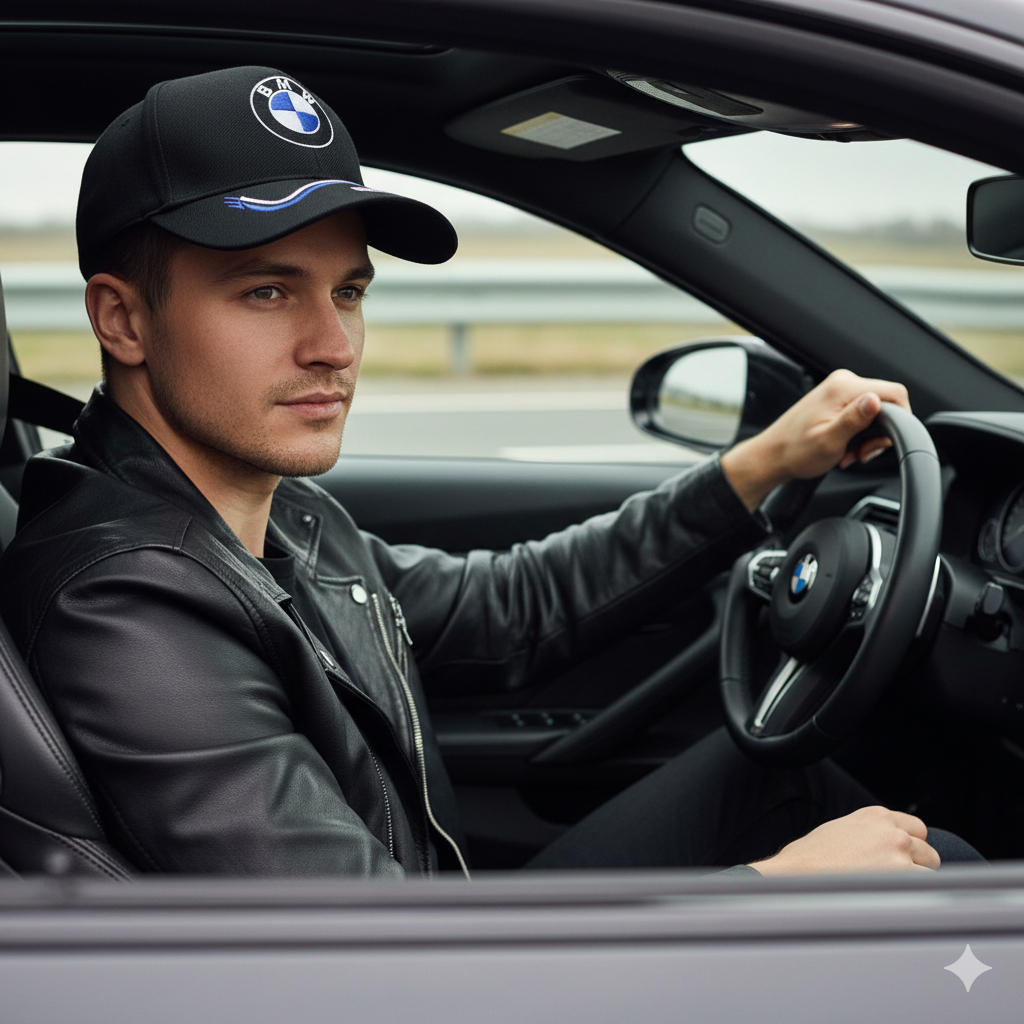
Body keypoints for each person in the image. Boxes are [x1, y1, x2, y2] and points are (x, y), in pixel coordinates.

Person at [0, 66, 972, 878]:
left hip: (449, 923)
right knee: (927, 881)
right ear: (122, 319)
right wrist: (774, 895)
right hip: (438, 968)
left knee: (784, 779)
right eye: (266, 292)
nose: (333, 346)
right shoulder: (125, 607)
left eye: (348, 291)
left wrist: (764, 463)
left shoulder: (273, 511)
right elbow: (371, 970)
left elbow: (510, 609)